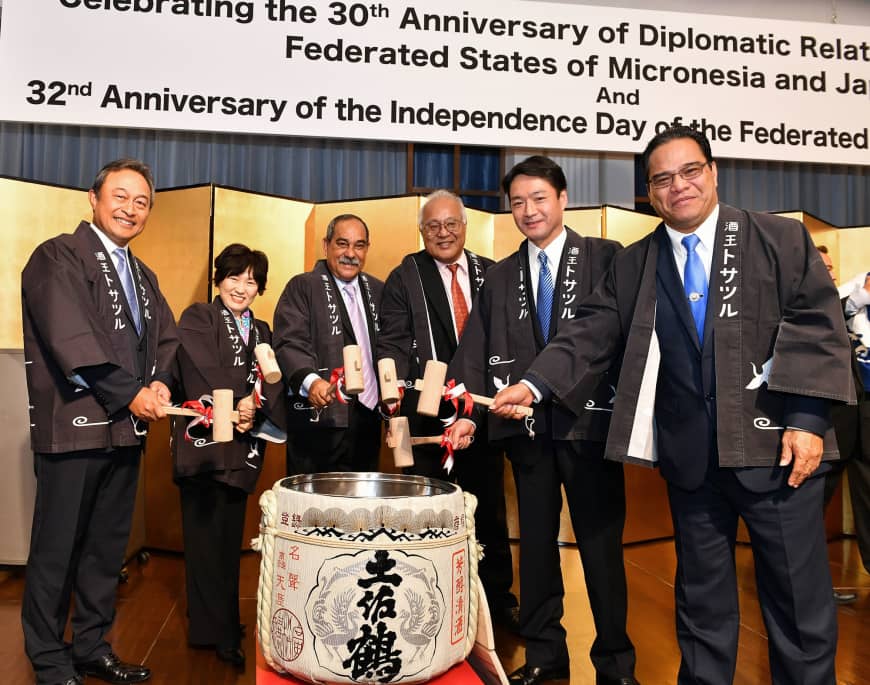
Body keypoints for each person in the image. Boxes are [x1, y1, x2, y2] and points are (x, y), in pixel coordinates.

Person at [492, 127, 855, 684]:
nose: (678, 186)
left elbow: (816, 326)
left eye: (690, 171)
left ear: (712, 172)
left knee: (798, 610)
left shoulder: (777, 239)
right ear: (650, 192)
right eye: (662, 179)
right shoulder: (638, 261)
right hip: (691, 463)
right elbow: (591, 330)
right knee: (701, 608)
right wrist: (535, 384)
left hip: (776, 451)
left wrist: (807, 422)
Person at [448, 157, 638, 685]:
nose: (528, 211)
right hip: (525, 433)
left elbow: (618, 340)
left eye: (538, 198)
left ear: (563, 198)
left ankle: (616, 664)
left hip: (589, 428)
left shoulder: (605, 257)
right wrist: (466, 413)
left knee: (601, 550)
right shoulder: (501, 275)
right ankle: (544, 654)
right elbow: (474, 351)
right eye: (517, 202)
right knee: (534, 548)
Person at [21, 159, 179, 685]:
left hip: (125, 431)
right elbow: (72, 340)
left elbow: (165, 342)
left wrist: (158, 383)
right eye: (120, 195)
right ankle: (48, 659)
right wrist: (131, 393)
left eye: (141, 202)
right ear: (93, 197)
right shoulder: (56, 257)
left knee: (105, 548)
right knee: (57, 548)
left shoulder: (142, 273)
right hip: (74, 428)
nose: (130, 209)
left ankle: (91, 647)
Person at [376, 189, 519, 632]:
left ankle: (497, 601)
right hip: (425, 412)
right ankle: (428, 602)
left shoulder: (489, 273)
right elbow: (393, 342)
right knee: (427, 509)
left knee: (488, 507)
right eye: (433, 226)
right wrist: (392, 398)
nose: (443, 232)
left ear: (464, 225)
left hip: (478, 409)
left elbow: (505, 339)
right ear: (421, 231)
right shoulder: (406, 275)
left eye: (450, 223)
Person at [172, 244, 286, 668]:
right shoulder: (198, 317)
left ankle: (216, 622)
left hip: (242, 443)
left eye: (252, 281)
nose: (242, 287)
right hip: (204, 442)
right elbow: (198, 366)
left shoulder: (262, 329)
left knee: (227, 540)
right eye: (235, 278)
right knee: (203, 540)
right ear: (218, 280)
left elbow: (271, 379)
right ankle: (218, 631)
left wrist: (255, 405)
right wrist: (236, 400)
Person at [273, 214, 384, 474]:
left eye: (359, 245)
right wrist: (312, 382)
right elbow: (289, 340)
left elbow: (392, 344)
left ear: (367, 248)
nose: (350, 253)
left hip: (367, 416)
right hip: (319, 415)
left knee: (361, 505)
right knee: (316, 507)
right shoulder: (303, 286)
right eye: (342, 244)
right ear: (326, 245)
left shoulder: (379, 291)